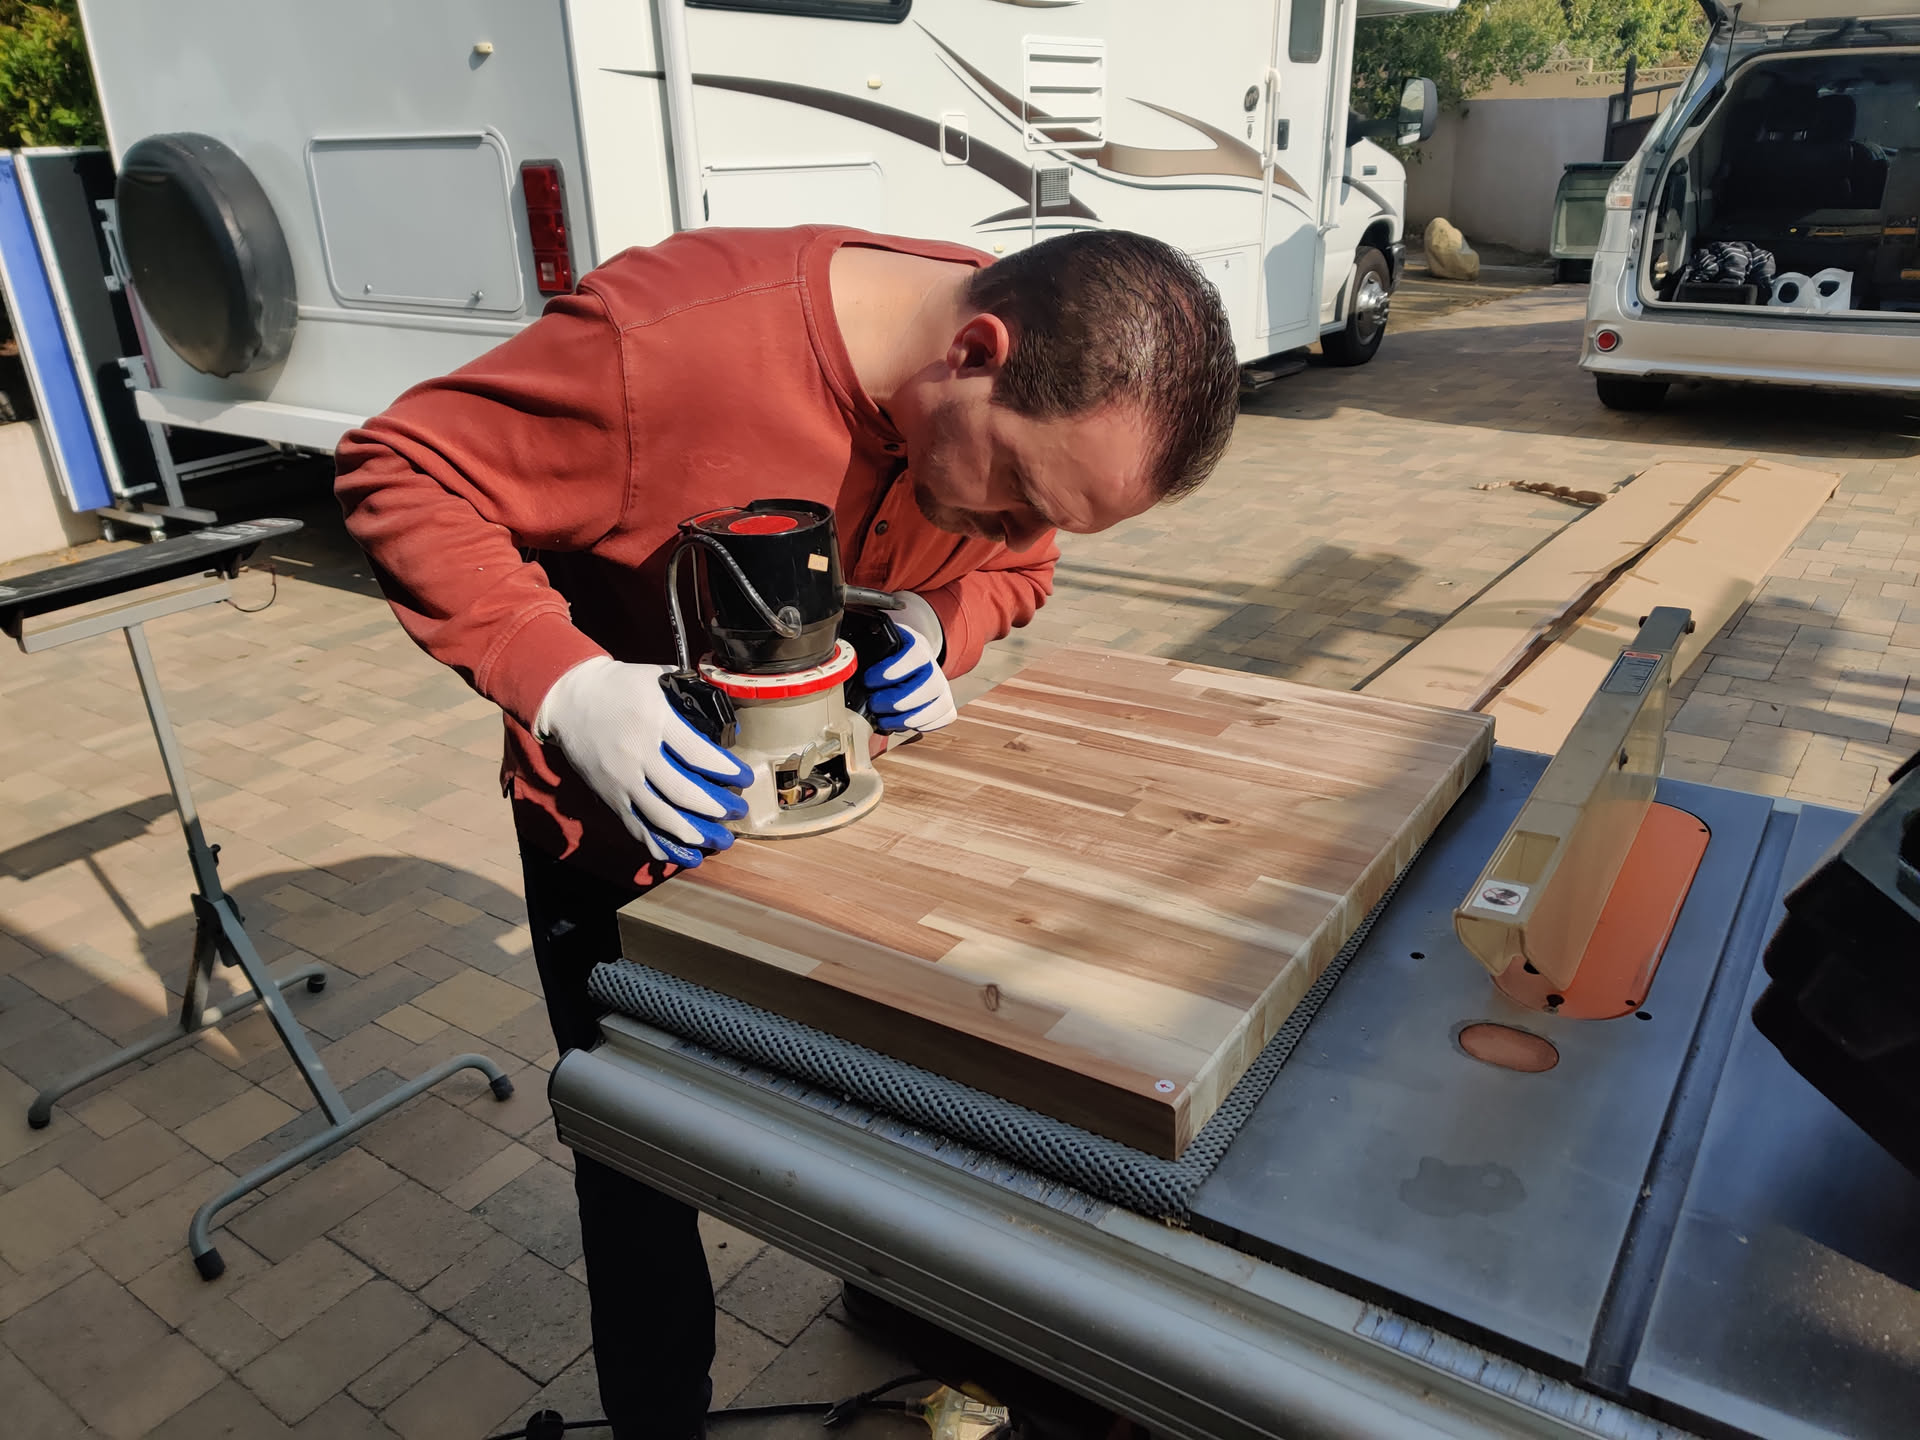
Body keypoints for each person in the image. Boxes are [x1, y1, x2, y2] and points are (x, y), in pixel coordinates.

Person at [335, 223, 1239, 1438]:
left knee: (904, 1121)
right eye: (1015, 492)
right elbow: (401, 470)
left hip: (841, 837)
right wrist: (566, 686)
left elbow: (1022, 569)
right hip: (632, 857)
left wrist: (937, 620)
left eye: (1045, 510)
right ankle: (661, 1423)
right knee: (641, 1167)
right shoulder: (666, 345)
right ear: (976, 352)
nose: (1012, 526)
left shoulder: (1032, 390)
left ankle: (906, 1319)